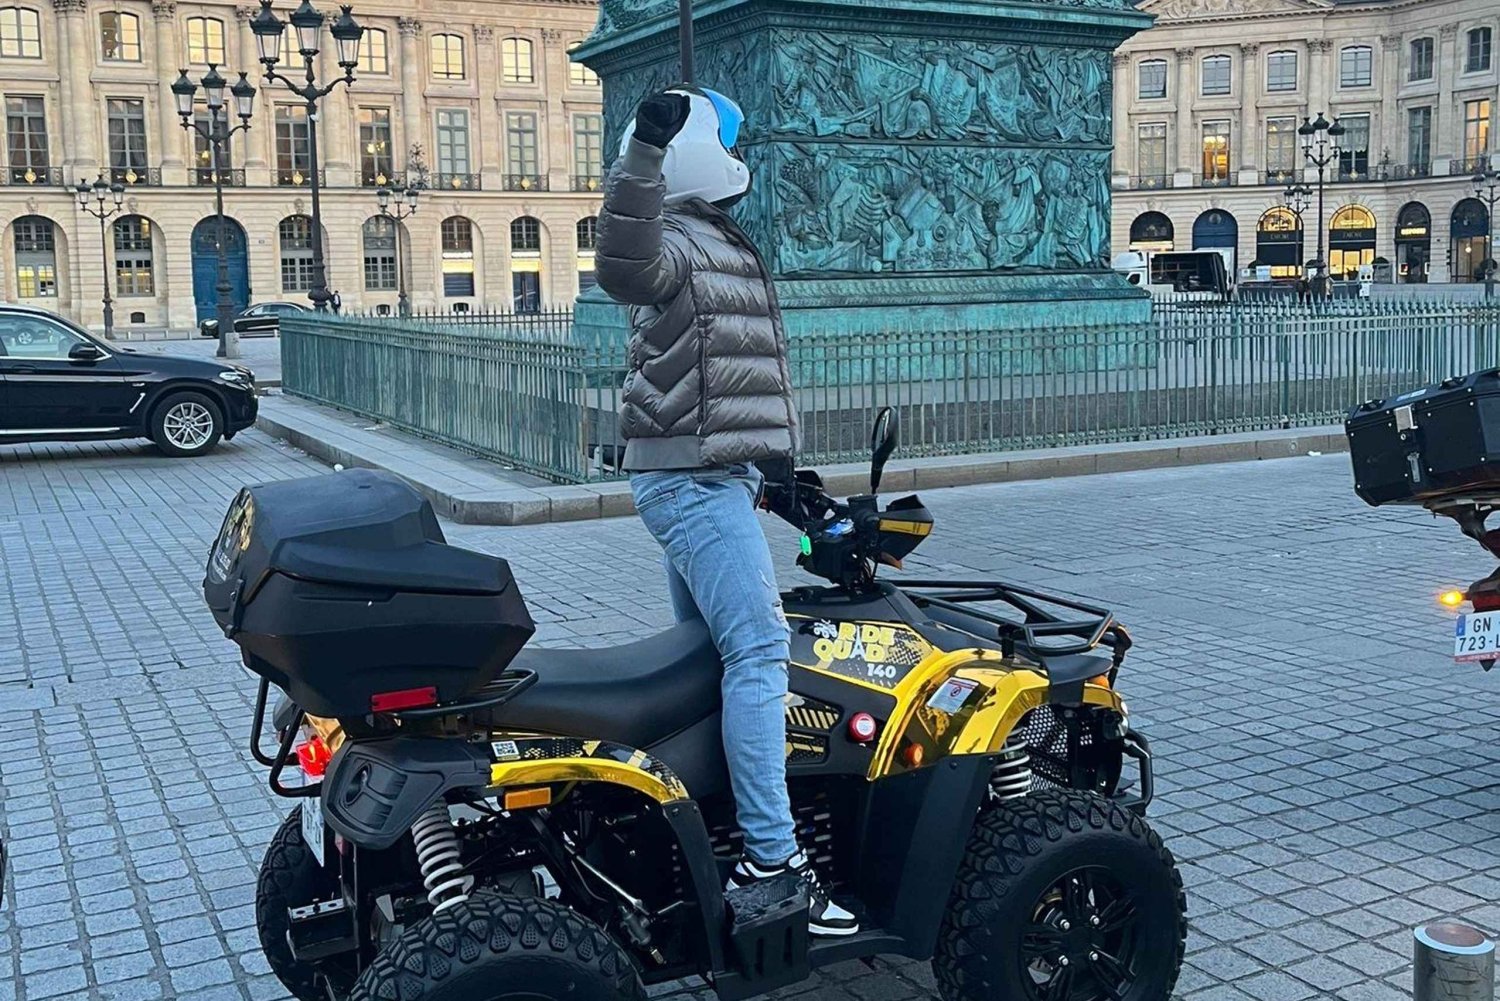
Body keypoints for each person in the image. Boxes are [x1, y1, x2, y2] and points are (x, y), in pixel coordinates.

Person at [594, 87, 858, 937]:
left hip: (719, 476)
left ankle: (705, 824)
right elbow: (620, 262)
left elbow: (728, 379)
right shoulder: (669, 237)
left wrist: (782, 478)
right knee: (756, 651)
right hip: (692, 486)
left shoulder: (714, 236)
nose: (744, 156)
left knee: (710, 659)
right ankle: (774, 863)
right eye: (731, 139)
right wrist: (642, 149)